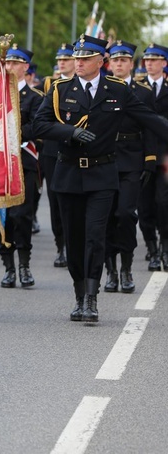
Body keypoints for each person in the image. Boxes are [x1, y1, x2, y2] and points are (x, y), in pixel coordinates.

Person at [32, 34, 168, 324]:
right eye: (76, 58)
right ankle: (79, 293)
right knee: (75, 238)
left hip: (102, 175)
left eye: (85, 58)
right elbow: (39, 125)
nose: (78, 62)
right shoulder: (59, 89)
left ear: (100, 61)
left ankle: (92, 299)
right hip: (68, 174)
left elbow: (150, 120)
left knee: (95, 236)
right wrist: (70, 132)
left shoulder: (117, 90)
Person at [103, 40, 155, 293]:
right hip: (104, 158)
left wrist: (150, 159)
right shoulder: (101, 88)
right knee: (105, 218)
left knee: (125, 214)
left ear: (131, 64)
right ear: (109, 63)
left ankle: (126, 267)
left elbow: (151, 126)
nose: (119, 64)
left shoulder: (143, 92)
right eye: (115, 60)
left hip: (132, 158)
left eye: (123, 60)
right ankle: (110, 269)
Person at [0, 45, 44, 288]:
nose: (11, 67)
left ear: (26, 67)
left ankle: (24, 264)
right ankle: (8, 266)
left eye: (16, 63)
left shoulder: (35, 97)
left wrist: (11, 132)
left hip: (23, 162)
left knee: (22, 215)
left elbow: (37, 127)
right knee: (2, 216)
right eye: (8, 63)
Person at [40, 43, 75, 268]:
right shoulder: (51, 85)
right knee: (56, 201)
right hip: (53, 151)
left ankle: (76, 244)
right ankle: (61, 245)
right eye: (59, 59)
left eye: (66, 59)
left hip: (78, 150)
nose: (61, 62)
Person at [138, 42, 168, 271]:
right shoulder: (137, 89)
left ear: (164, 63)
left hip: (166, 154)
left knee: (163, 203)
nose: (149, 63)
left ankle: (165, 246)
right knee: (144, 206)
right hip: (143, 154)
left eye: (155, 59)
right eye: (147, 59)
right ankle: (152, 247)